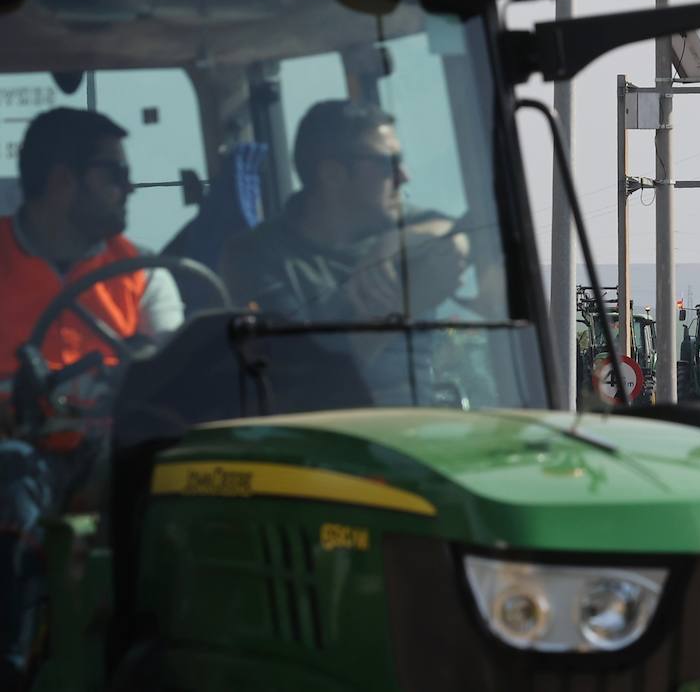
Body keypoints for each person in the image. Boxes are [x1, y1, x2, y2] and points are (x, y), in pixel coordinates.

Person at [0, 108, 184, 688]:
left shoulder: (144, 273)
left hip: (113, 452)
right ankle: (18, 656)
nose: (129, 189)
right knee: (12, 475)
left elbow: (175, 364)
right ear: (62, 182)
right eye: (115, 175)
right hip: (17, 453)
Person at [221, 101, 471, 402]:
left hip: (422, 423)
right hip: (328, 432)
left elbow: (462, 232)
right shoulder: (256, 256)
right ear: (332, 174)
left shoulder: (404, 226)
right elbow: (306, 383)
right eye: (388, 163)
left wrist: (395, 243)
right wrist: (392, 308)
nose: (404, 176)